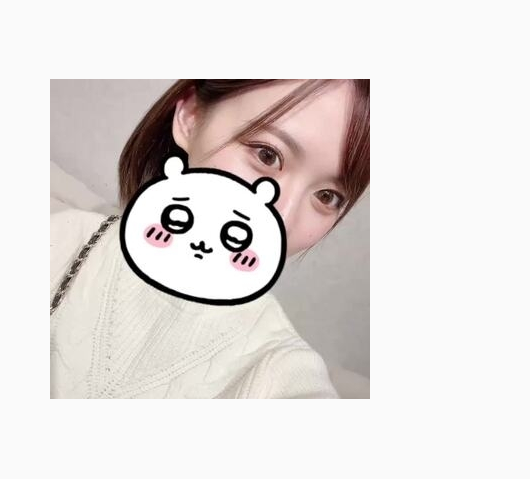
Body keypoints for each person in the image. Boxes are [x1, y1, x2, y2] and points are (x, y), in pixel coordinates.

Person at [50, 79, 370, 398]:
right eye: (267, 155)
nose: (283, 219)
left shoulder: (279, 366)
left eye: (327, 196)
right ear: (190, 117)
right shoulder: (66, 239)